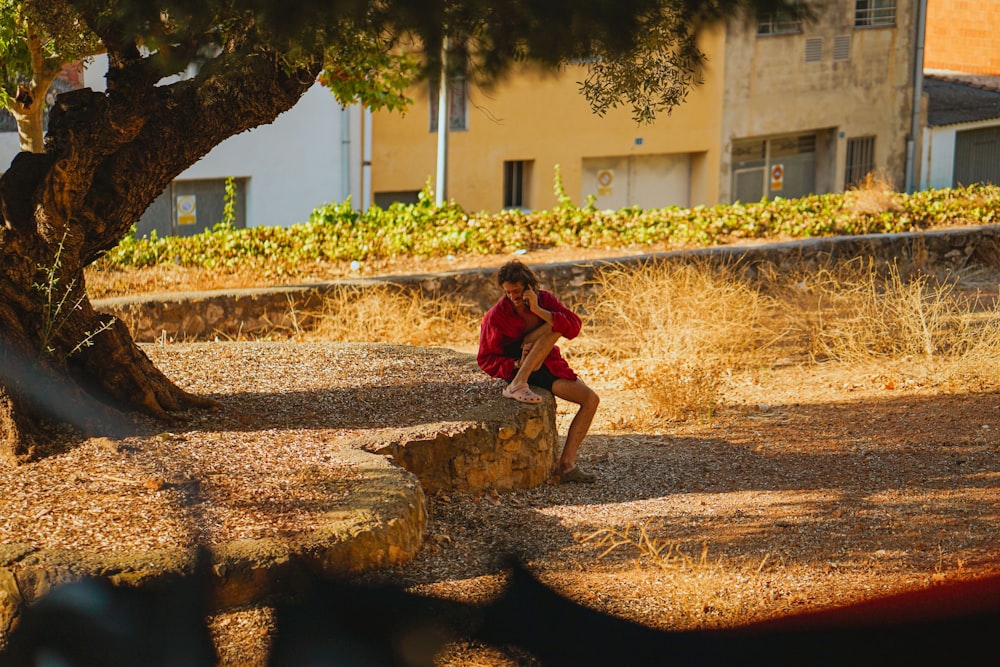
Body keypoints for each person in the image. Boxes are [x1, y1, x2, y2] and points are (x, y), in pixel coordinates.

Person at [477, 260, 600, 483]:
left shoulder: (544, 300)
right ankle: (517, 383)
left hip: (545, 366)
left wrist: (539, 310)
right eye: (508, 292)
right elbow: (485, 359)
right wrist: (515, 364)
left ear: (529, 287)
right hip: (517, 367)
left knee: (590, 399)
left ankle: (566, 465)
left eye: (517, 291)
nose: (513, 297)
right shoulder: (497, 315)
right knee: (555, 326)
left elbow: (573, 327)